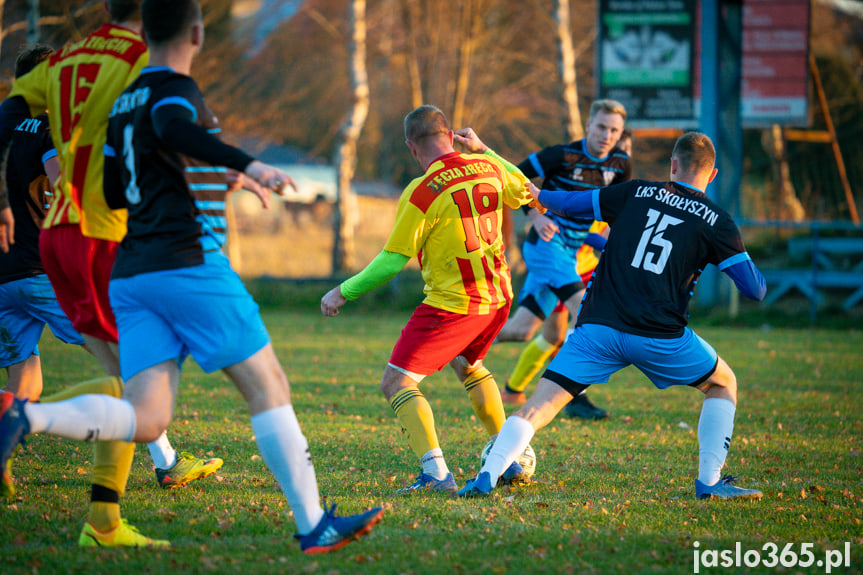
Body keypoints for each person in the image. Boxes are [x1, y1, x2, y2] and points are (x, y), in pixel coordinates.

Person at [0, 0, 384, 552]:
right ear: (198, 32)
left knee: (148, 416)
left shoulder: (117, 101)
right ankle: (313, 524)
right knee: (267, 384)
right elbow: (174, 127)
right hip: (185, 263)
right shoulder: (167, 90)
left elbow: (108, 185)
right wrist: (247, 164)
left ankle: (24, 418)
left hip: (131, 273)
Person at [458, 132, 767, 501]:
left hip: (598, 330)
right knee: (723, 384)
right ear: (712, 175)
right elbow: (754, 289)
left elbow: (552, 199)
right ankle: (710, 482)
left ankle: (485, 479)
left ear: (672, 166)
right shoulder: (717, 221)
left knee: (536, 408)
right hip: (661, 336)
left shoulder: (634, 192)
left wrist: (484, 149)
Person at [0, 0, 221, 493]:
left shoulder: (17, 118)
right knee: (131, 368)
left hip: (16, 267)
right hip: (62, 254)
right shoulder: (62, 123)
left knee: (31, 375)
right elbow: (66, 185)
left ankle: (19, 453)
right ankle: (160, 461)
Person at [321, 105, 537, 494]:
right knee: (468, 365)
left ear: (411, 147)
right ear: (451, 135)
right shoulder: (488, 166)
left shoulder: (422, 191)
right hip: (499, 296)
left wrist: (342, 291)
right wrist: (485, 149)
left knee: (396, 382)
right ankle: (509, 455)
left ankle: (437, 474)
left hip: (455, 305)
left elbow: (391, 261)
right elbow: (524, 188)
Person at [490, 100, 632, 420]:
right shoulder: (562, 155)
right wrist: (535, 215)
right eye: (601, 127)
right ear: (588, 124)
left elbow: (615, 209)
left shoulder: (621, 164)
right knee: (585, 310)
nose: (607, 135)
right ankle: (575, 397)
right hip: (546, 247)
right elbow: (514, 177)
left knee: (526, 331)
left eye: (614, 130)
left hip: (574, 252)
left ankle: (464, 343)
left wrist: (613, 240)